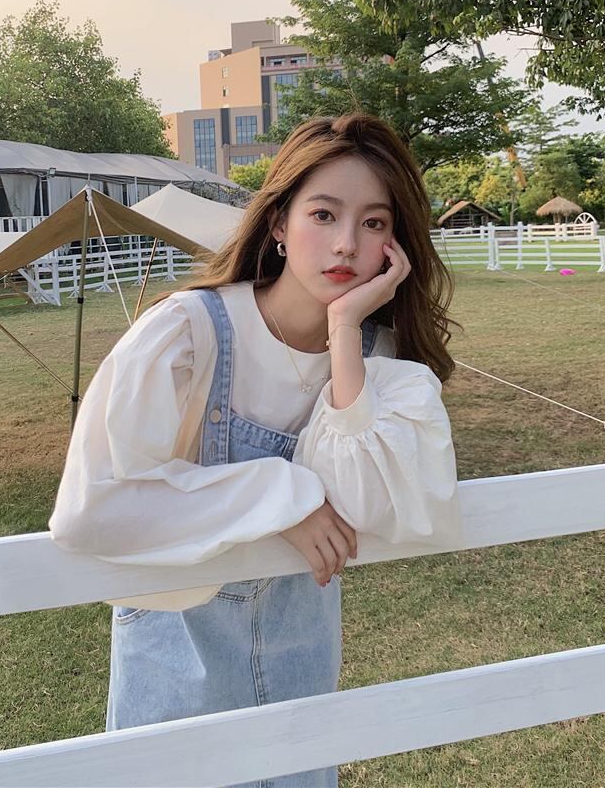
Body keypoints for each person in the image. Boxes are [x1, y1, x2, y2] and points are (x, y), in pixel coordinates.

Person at [50, 113, 461, 788]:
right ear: (277, 223)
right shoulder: (187, 333)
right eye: (323, 214)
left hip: (302, 653)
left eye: (374, 223)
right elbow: (89, 510)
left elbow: (381, 507)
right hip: (178, 654)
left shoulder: (374, 358)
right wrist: (282, 500)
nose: (347, 244)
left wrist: (343, 328)